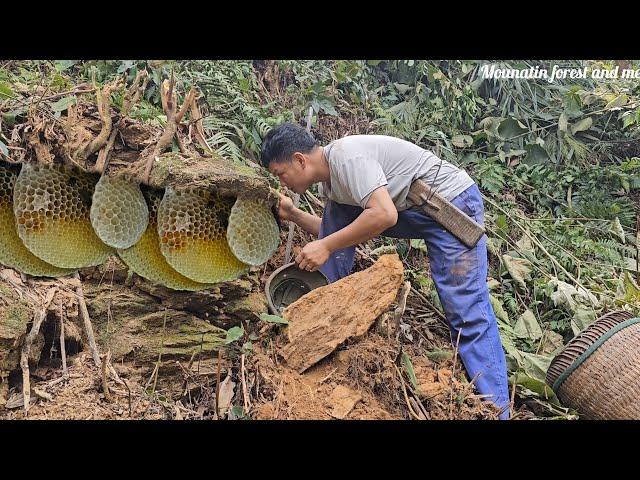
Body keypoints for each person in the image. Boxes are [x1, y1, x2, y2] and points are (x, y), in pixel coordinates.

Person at [260, 122, 510, 419]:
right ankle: (321, 316)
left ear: (300, 160)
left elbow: (384, 215)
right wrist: (294, 215)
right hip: (414, 208)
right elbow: (337, 233)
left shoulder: (348, 159)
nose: (283, 182)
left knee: (465, 308)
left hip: (449, 205)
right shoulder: (334, 183)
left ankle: (498, 410)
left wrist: (326, 246)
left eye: (280, 174)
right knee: (337, 213)